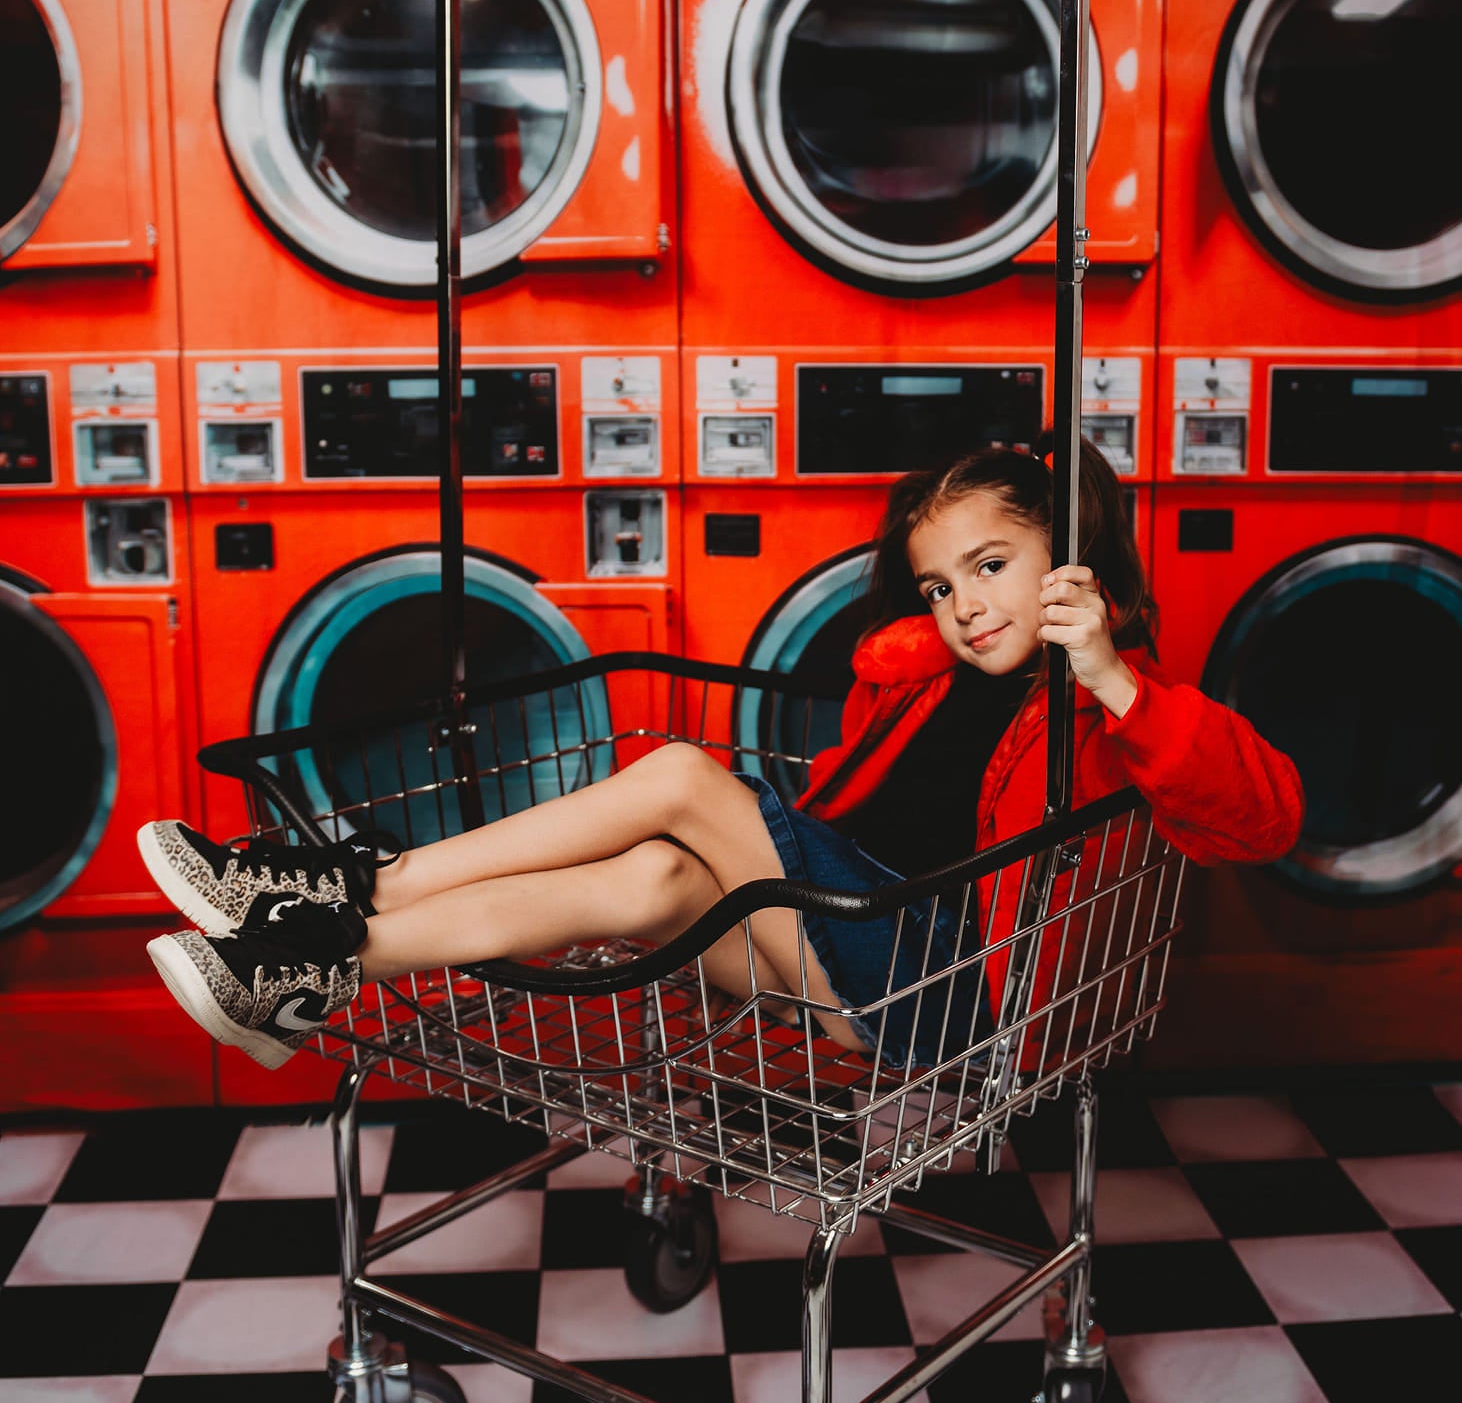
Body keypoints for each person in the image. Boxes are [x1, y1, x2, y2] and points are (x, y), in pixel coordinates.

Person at [140, 441, 1303, 1072]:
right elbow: (862, 805)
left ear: (1073, 552)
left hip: (947, 990)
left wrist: (1110, 675)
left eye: (993, 564)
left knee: (686, 776)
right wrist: (910, 652)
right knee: (652, 879)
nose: (963, 604)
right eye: (942, 583)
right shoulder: (924, 682)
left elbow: (1264, 819)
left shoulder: (1120, 713)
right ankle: (311, 973)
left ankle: (320, 890)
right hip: (851, 954)